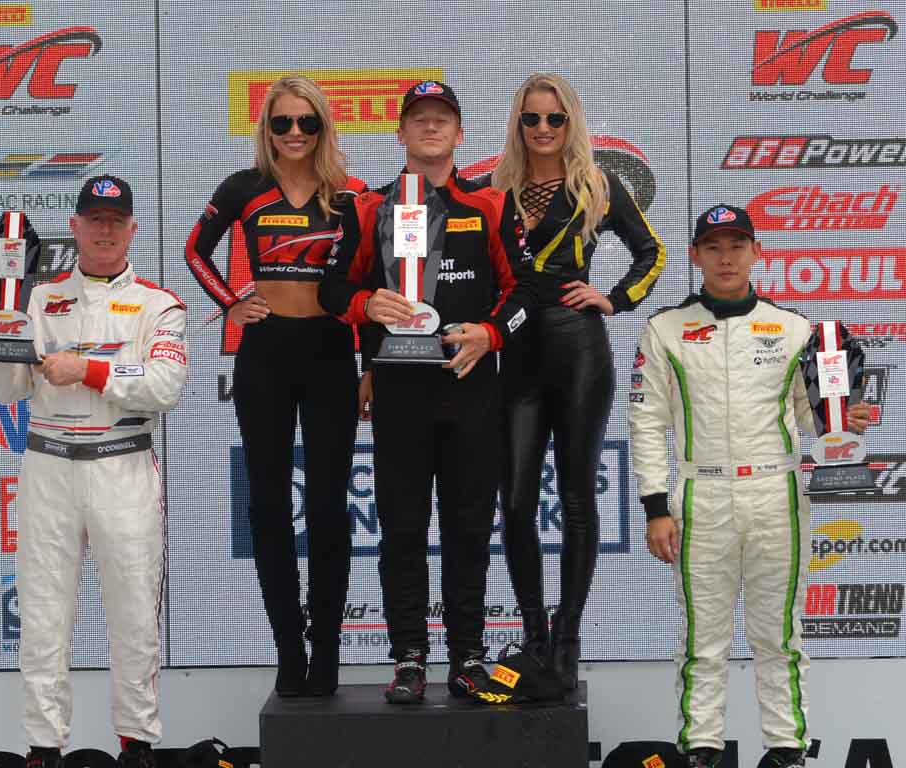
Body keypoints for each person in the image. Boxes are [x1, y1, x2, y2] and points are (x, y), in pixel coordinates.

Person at [629, 205, 870, 768]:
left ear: (757, 252)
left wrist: (839, 421)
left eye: (737, 245)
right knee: (701, 642)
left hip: (776, 494)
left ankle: (787, 751)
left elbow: (807, 417)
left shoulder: (793, 328)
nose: (726, 257)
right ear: (695, 256)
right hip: (700, 497)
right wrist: (654, 506)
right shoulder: (663, 328)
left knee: (780, 636)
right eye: (713, 247)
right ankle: (701, 750)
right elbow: (646, 422)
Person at [319, 80, 534, 704]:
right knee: (404, 529)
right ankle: (409, 657)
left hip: (470, 391)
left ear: (460, 134)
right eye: (420, 119)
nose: (431, 128)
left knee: (469, 527)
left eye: (443, 119)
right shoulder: (367, 208)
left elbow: (524, 296)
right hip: (399, 393)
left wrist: (490, 336)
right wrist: (366, 302)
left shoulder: (489, 205)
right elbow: (333, 292)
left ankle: (467, 656)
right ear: (402, 134)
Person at [0, 175, 188, 768]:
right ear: (73, 227)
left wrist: (91, 372)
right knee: (43, 613)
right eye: (93, 219)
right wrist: (4, 332)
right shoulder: (38, 300)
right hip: (49, 466)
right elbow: (8, 389)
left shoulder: (159, 304)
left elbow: (166, 386)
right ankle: (43, 748)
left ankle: (137, 743)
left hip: (122, 464)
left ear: (132, 229)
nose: (104, 229)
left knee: (133, 610)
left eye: (114, 220)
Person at [184, 75, 365, 697]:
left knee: (327, 507)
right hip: (264, 354)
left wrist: (373, 363)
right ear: (267, 128)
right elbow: (195, 251)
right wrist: (232, 301)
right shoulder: (243, 187)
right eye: (282, 123)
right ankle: (289, 647)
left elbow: (371, 276)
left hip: (330, 351)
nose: (294, 133)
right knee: (267, 503)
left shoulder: (350, 194)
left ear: (323, 128)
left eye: (306, 123)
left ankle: (329, 655)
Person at [486, 73, 666, 687]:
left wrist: (612, 299)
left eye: (554, 119)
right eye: (531, 119)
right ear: (518, 124)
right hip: (516, 355)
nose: (542, 129)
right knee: (514, 503)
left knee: (575, 497)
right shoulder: (495, 190)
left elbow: (653, 254)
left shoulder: (597, 184)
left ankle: (567, 638)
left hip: (579, 351)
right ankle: (534, 634)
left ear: (571, 124)